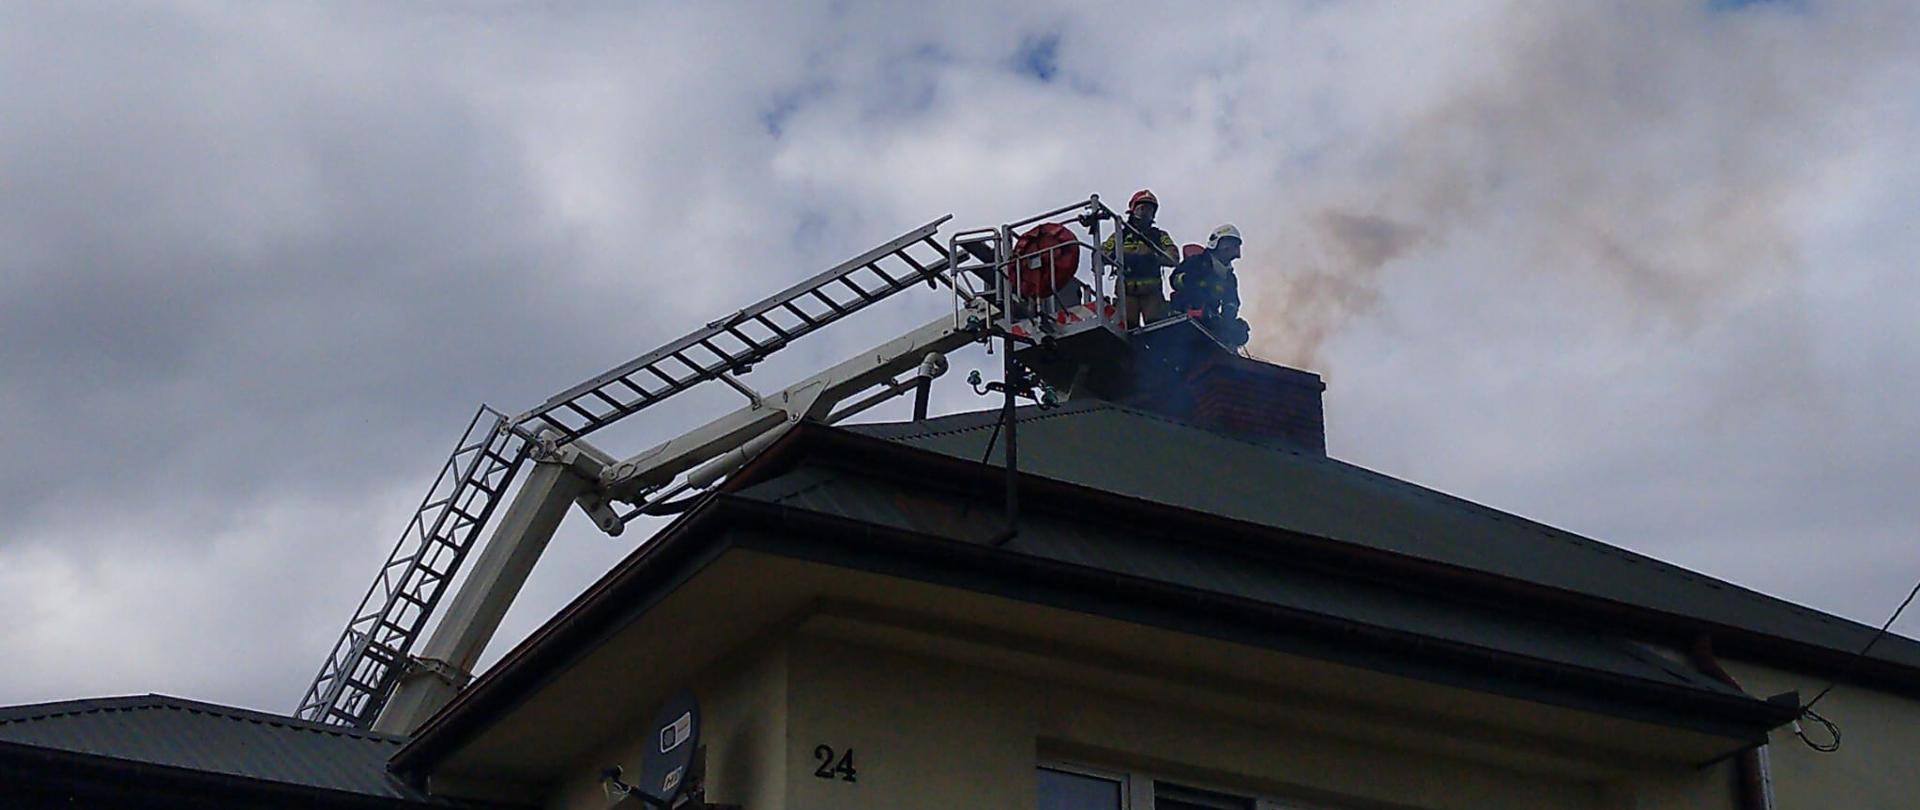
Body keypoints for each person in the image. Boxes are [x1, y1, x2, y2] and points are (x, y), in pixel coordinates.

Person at [1100, 189, 1179, 327]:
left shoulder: (1159, 236)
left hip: (1152, 293)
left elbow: (1173, 257)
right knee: (1127, 328)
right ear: (1133, 210)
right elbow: (1102, 252)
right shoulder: (1120, 235)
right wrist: (1116, 256)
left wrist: (1154, 258)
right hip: (1127, 292)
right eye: (1142, 208)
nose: (1146, 213)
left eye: (1149, 210)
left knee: (1156, 328)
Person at [1170, 224, 1249, 348]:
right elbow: (1174, 281)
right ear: (1216, 243)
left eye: (1234, 245)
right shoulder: (1197, 262)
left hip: (1210, 318)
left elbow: (1231, 303)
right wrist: (1188, 279)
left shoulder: (1229, 278)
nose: (1232, 248)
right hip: (1185, 313)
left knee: (1238, 331)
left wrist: (1229, 322)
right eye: (1228, 243)